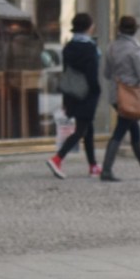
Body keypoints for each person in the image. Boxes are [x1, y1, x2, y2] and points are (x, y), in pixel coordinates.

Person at [100, 15, 140, 182]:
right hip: (130, 96)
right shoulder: (135, 49)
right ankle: (106, 170)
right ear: (135, 30)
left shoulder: (111, 47)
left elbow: (106, 73)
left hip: (115, 95)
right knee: (120, 131)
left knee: (134, 130)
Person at [46, 13, 101, 179]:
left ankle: (93, 165)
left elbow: (66, 73)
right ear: (88, 27)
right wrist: (96, 91)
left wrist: (65, 98)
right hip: (87, 94)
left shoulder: (68, 47)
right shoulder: (91, 49)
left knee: (87, 128)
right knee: (81, 130)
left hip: (71, 93)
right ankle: (57, 158)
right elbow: (92, 75)